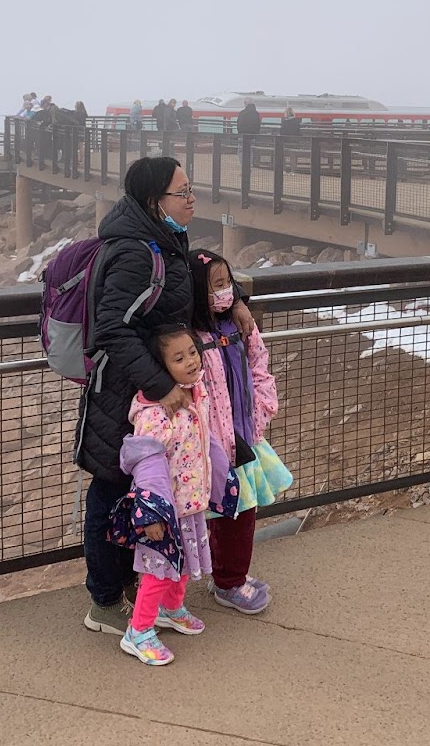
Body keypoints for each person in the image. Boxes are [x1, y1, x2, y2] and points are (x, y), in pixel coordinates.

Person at [79, 156, 254, 636]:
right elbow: (111, 329)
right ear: (157, 202)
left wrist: (233, 296)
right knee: (113, 489)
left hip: (152, 400)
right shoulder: (136, 253)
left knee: (140, 492)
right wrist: (161, 386)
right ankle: (105, 602)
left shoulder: (165, 243)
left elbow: (198, 277)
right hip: (124, 399)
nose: (192, 197)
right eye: (184, 191)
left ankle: (138, 592)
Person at [108, 326, 238, 665]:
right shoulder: (155, 413)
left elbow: (207, 445)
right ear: (161, 367)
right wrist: (151, 514)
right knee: (157, 570)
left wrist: (222, 482)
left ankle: (171, 608)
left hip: (188, 502)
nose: (191, 361)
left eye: (192, 352)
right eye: (178, 358)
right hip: (163, 510)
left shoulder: (194, 395)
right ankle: (138, 631)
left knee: (181, 562)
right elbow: (148, 463)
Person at [188, 249, 292, 613]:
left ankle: (230, 579)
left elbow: (258, 362)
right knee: (211, 512)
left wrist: (263, 406)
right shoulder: (187, 338)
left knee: (240, 512)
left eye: (227, 284)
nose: (225, 292)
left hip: (243, 438)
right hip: (207, 445)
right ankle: (210, 582)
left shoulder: (238, 324)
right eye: (216, 286)